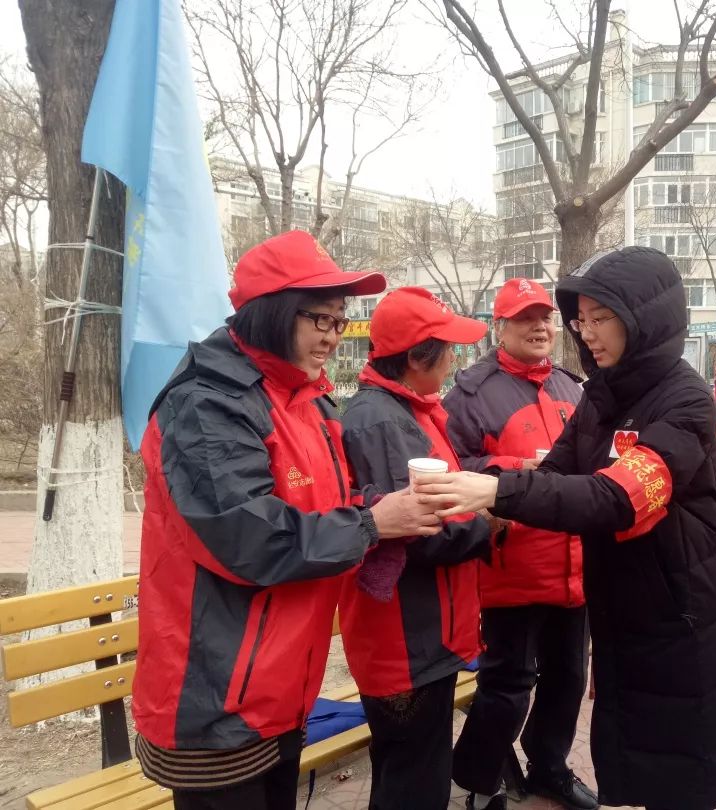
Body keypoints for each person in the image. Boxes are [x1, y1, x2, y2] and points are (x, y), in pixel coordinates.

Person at [416, 247, 716, 810]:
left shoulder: (686, 400)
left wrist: (497, 490)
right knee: (633, 736)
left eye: (601, 318)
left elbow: (617, 497)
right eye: (582, 320)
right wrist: (489, 501)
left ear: (645, 318)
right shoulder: (602, 392)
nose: (586, 333)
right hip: (621, 600)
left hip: (681, 603)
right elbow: (557, 473)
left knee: (685, 749)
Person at [133, 231, 443, 810]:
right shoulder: (209, 402)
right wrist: (373, 524)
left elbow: (327, 504)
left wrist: (393, 508)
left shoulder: (307, 398)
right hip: (218, 695)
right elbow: (248, 537)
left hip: (282, 684)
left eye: (340, 321)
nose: (333, 335)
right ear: (271, 312)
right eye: (319, 319)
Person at [336, 287, 495, 810]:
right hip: (405, 636)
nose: (454, 361)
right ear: (414, 358)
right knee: (415, 779)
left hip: (427, 628)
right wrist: (494, 523)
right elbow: (422, 529)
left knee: (411, 768)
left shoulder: (408, 410)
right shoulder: (382, 421)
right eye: (446, 349)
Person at [442, 279, 595, 810]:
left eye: (545, 318)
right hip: (512, 570)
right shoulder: (471, 394)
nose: (539, 327)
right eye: (525, 318)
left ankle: (549, 767)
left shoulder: (573, 387)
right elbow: (449, 467)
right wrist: (514, 470)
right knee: (508, 689)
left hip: (574, 566)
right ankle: (476, 779)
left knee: (568, 680)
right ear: (500, 327)